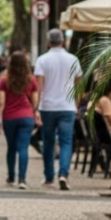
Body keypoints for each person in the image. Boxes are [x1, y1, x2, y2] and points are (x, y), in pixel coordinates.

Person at [35, 28, 83, 190]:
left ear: (49, 42)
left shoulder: (42, 60)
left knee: (48, 143)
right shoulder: (73, 60)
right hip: (67, 107)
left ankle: (49, 177)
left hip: (47, 107)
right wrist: (76, 102)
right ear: (63, 41)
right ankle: (63, 174)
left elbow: (39, 87)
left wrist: (36, 107)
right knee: (66, 142)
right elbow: (79, 85)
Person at [0, 51, 40, 189]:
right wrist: (34, 112)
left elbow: (1, 103)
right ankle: (22, 179)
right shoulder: (31, 80)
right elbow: (35, 102)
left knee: (11, 147)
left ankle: (11, 177)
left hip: (9, 118)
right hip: (27, 117)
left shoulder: (4, 80)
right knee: (23, 148)